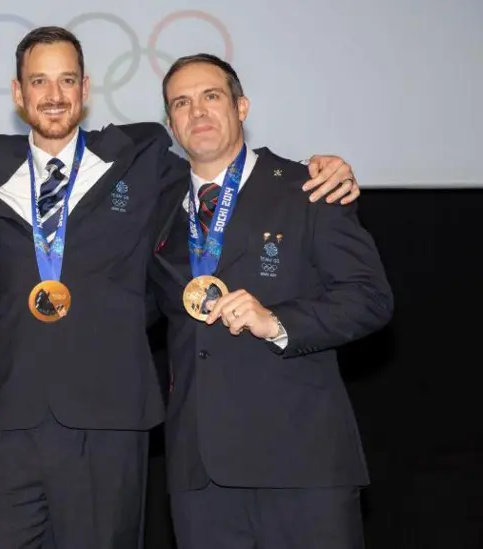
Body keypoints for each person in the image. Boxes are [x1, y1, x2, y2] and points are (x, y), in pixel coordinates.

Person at [0, 27, 362, 548]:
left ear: (85, 89)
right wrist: (9, 304)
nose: (54, 95)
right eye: (39, 81)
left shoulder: (141, 156)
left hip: (109, 412)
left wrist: (323, 166)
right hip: (9, 412)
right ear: (18, 93)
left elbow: (222, 168)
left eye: (67, 80)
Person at [148, 53, 393, 548]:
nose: (197, 111)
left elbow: (370, 298)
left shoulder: (308, 188)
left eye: (211, 96)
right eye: (181, 103)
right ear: (171, 124)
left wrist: (277, 322)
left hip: (300, 464)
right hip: (200, 476)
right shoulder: (157, 209)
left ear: (241, 107)